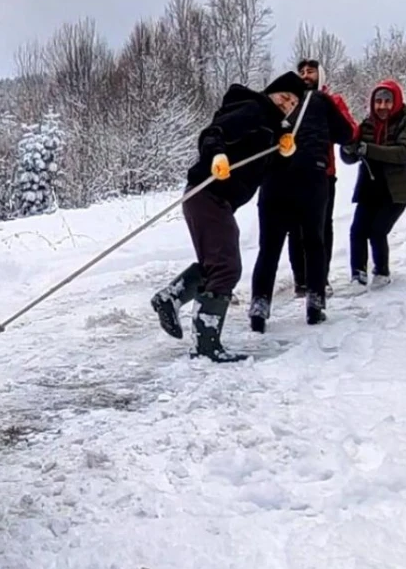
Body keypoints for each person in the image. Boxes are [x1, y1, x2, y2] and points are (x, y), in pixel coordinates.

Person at [150, 72, 306, 363]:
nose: (287, 104)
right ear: (272, 92)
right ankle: (206, 345)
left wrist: (284, 154)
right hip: (206, 193)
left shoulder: (271, 129)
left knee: (217, 264)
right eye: (285, 97)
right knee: (227, 267)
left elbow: (261, 170)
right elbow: (214, 134)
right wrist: (216, 156)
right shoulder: (254, 110)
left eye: (293, 103)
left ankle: (171, 298)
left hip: (215, 200)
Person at [248, 62, 357, 331]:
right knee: (314, 242)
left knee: (269, 247)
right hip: (313, 177)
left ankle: (260, 304)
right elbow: (346, 134)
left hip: (274, 179)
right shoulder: (321, 100)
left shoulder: (268, 105)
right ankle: (315, 302)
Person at [285, 59, 359, 298]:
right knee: (295, 229)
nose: (306, 76)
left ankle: (320, 277)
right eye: (302, 72)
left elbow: (350, 130)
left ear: (321, 75)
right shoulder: (290, 102)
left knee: (321, 227)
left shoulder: (331, 101)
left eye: (311, 71)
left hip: (323, 174)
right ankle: (301, 279)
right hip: (292, 173)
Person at [339, 79, 406, 289]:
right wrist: (348, 148)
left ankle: (382, 271)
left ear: (396, 101)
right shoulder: (367, 124)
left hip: (397, 189)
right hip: (370, 186)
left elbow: (403, 153)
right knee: (357, 230)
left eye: (387, 101)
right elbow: (350, 157)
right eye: (378, 102)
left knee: (378, 230)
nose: (382, 106)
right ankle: (358, 273)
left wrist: (368, 149)